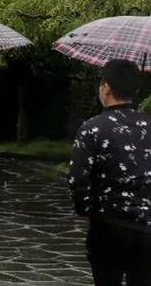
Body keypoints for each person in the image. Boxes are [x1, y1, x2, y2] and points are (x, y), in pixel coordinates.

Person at [69, 59, 151, 285]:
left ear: (106, 87)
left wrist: (85, 209)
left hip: (108, 224)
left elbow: (78, 178)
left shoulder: (93, 128)